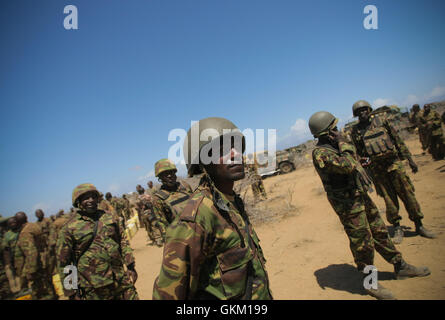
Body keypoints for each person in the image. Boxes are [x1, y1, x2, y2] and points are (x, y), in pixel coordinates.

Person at [309, 111, 431, 300]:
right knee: (362, 244)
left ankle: (400, 266)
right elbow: (347, 165)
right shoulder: (321, 153)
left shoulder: (335, 148)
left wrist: (360, 161)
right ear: (328, 132)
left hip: (360, 196)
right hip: (348, 206)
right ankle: (371, 283)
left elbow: (352, 162)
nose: (338, 130)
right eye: (334, 128)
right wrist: (345, 143)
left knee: (380, 231)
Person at [153, 117, 272, 300]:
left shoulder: (231, 202)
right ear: (202, 162)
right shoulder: (196, 219)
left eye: (237, 147)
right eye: (222, 150)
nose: (235, 154)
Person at [350, 100, 435, 244]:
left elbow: (397, 140)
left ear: (369, 110)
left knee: (408, 194)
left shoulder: (382, 121)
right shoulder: (356, 131)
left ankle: (419, 225)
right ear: (356, 114)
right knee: (389, 200)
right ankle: (397, 227)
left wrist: (409, 159)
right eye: (359, 112)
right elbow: (358, 153)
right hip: (378, 171)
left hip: (394, 165)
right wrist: (364, 171)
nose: (362, 113)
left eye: (364, 110)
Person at [56, 183, 138, 300]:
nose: (91, 200)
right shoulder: (69, 228)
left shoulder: (110, 217)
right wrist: (71, 292)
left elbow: (123, 241)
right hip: (94, 288)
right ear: (78, 201)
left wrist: (130, 266)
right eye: (86, 198)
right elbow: (64, 262)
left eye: (93, 197)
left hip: (120, 278)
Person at [14, 211, 56, 299]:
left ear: (17, 222)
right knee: (48, 282)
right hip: (44, 258)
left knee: (39, 288)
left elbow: (31, 252)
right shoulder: (34, 226)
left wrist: (32, 270)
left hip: (37, 263)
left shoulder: (25, 232)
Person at [151, 159, 193, 229]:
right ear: (160, 177)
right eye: (165, 174)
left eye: (171, 172)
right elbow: (163, 226)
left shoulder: (185, 186)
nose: (170, 175)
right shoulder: (158, 199)